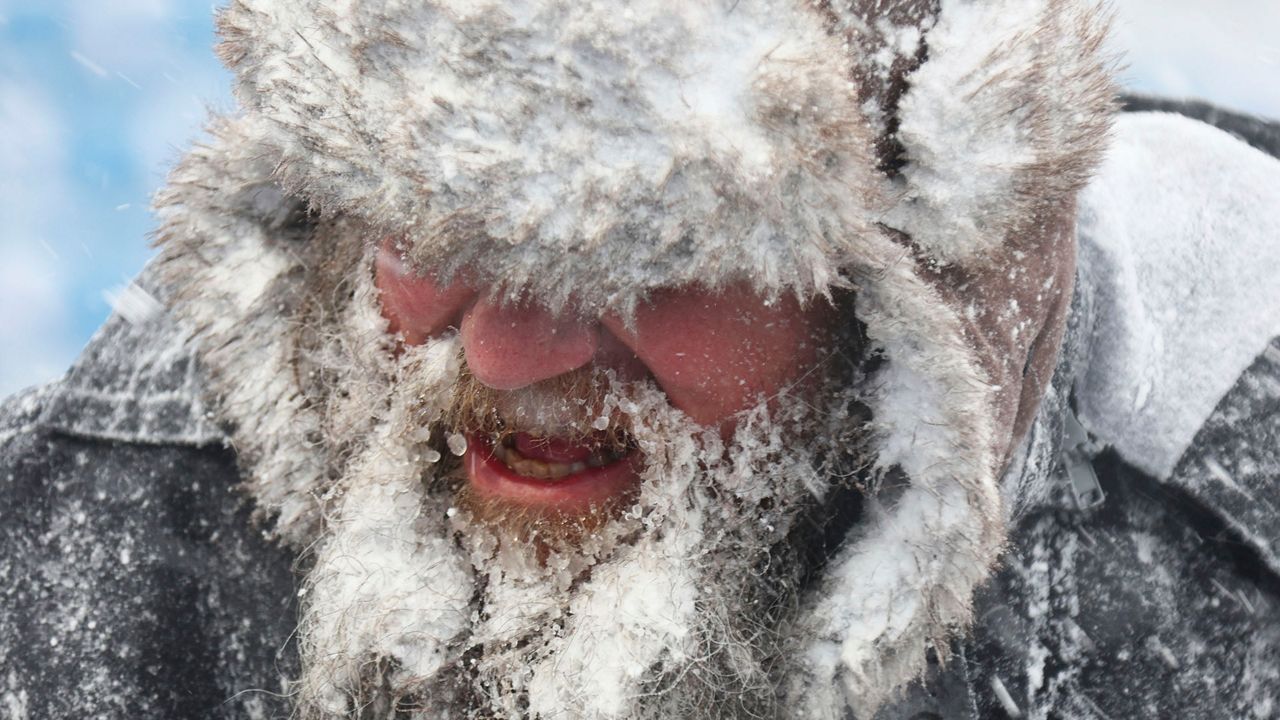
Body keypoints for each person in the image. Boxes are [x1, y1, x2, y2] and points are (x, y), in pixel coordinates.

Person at [3, 1, 1279, 718]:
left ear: (909, 281)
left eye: (644, 262)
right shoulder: (76, 549)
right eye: (430, 230)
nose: (503, 354)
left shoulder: (1218, 546)